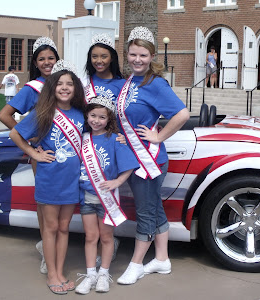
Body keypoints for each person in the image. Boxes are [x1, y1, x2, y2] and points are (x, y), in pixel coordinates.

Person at [115, 26, 189, 285]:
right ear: (127, 54)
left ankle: (135, 264)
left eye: (143, 56)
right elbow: (129, 118)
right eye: (133, 54)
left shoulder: (155, 83)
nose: (137, 60)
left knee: (146, 213)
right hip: (134, 158)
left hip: (149, 162)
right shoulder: (129, 82)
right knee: (155, 209)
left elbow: (182, 114)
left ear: (152, 56)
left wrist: (158, 136)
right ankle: (162, 259)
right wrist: (125, 135)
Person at [9, 60, 85, 295]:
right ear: (52, 88)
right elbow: (15, 132)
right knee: (50, 227)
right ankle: (52, 273)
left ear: (76, 88)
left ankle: (60, 271)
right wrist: (33, 153)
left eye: (69, 84)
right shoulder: (43, 112)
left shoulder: (81, 114)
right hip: (50, 178)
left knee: (64, 228)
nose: (64, 88)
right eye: (59, 83)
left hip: (71, 180)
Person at [0, 37, 60, 275]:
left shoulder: (66, 83)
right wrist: (31, 140)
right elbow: (5, 115)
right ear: (35, 62)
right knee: (44, 203)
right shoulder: (33, 88)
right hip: (42, 154)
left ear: (58, 59)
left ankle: (52, 245)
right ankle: (47, 249)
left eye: (51, 58)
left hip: (68, 152)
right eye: (42, 59)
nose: (47, 63)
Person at [75, 95, 139, 294]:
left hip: (106, 200)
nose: (96, 120)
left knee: (106, 237)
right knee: (90, 237)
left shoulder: (114, 139)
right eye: (93, 115)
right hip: (86, 197)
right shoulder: (82, 138)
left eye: (102, 117)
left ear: (109, 119)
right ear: (87, 116)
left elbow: (129, 165)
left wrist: (118, 182)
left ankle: (104, 273)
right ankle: (90, 274)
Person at [83, 32, 125, 268]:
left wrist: (120, 138)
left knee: (108, 198)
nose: (99, 61)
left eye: (104, 56)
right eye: (95, 56)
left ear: (112, 58)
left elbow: (124, 116)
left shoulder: (121, 84)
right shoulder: (84, 82)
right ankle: (97, 254)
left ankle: (108, 246)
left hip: (111, 146)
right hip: (89, 145)